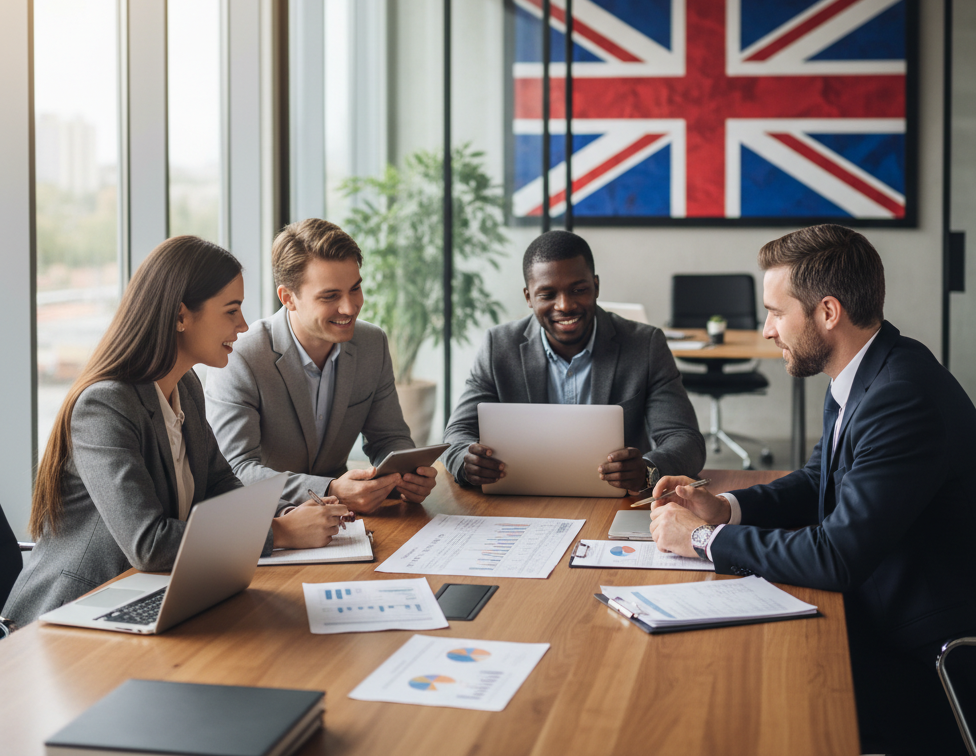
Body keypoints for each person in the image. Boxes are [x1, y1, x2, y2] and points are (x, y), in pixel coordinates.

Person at [649, 224, 976, 755]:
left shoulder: (902, 397)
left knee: (748, 698)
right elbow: (816, 481)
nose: (766, 331)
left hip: (939, 663)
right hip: (886, 619)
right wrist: (726, 508)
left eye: (777, 312)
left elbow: (837, 556)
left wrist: (704, 540)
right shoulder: (863, 373)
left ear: (828, 312)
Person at [3, 237, 344, 628]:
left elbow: (219, 485)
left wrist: (287, 513)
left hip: (148, 596)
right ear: (181, 316)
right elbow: (148, 544)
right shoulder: (105, 406)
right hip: (71, 616)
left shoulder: (186, 388)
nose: (243, 325)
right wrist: (277, 534)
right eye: (231, 310)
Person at [443, 230, 705, 490]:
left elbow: (686, 441)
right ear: (529, 298)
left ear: (596, 286)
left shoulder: (645, 345)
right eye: (547, 295)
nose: (564, 305)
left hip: (618, 503)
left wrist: (648, 469)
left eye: (578, 289)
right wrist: (467, 463)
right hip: (521, 501)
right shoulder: (498, 347)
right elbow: (457, 433)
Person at [206, 219, 436, 513]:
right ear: (288, 298)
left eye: (355, 289)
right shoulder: (242, 355)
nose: (350, 308)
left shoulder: (372, 344)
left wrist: (409, 475)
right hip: (265, 523)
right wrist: (329, 489)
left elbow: (389, 438)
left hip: (344, 522)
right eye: (330, 296)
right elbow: (237, 470)